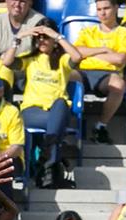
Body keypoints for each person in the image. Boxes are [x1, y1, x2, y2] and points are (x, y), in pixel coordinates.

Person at [12, 19, 83, 188]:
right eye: (39, 37)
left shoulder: (62, 60)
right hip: (32, 112)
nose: (42, 41)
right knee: (56, 123)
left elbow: (77, 56)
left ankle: (46, 157)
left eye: (46, 37)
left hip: (57, 111)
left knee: (60, 104)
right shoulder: (30, 60)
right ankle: (49, 159)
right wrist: (18, 38)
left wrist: (57, 36)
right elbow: (6, 62)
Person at [72, 0, 126, 144]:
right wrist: (104, 50)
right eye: (99, 9)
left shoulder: (125, 33)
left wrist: (90, 53)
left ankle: (100, 126)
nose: (102, 13)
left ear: (116, 8)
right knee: (65, 75)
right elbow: (76, 52)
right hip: (83, 72)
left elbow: (119, 59)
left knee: (118, 84)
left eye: (106, 8)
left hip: (108, 75)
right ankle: (66, 122)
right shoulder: (87, 31)